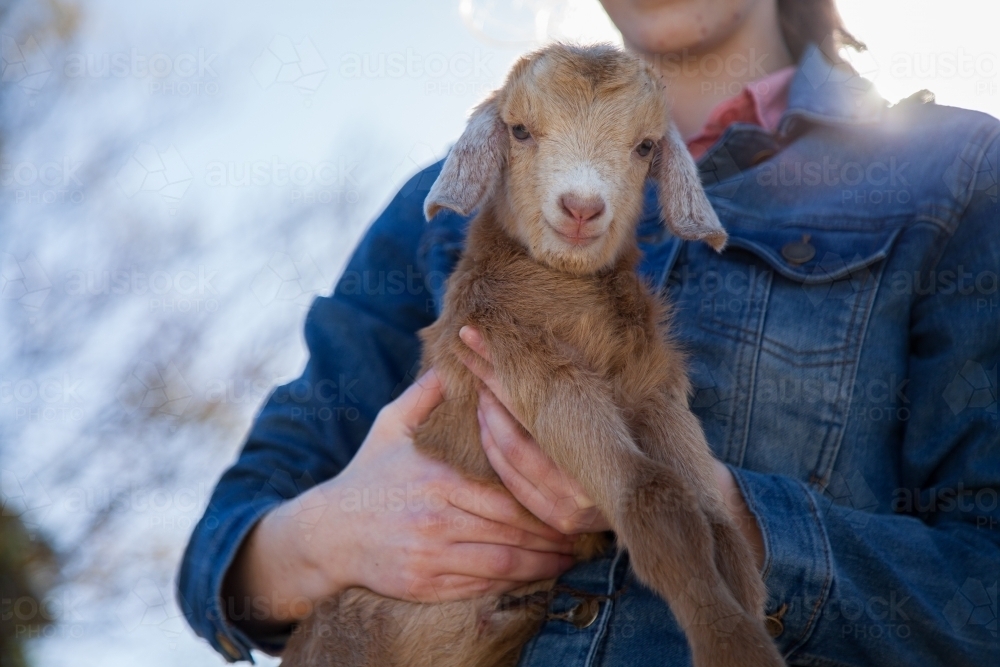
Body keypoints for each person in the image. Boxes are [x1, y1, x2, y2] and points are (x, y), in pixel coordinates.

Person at [179, 0, 1000, 664]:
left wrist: (724, 516)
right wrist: (329, 536)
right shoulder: (436, 204)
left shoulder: (956, 172)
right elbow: (227, 542)